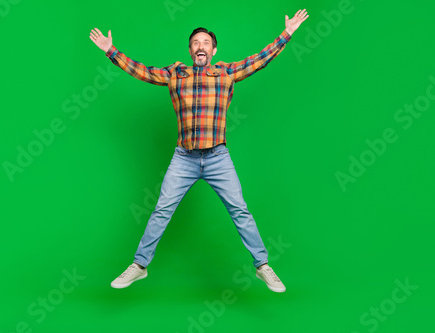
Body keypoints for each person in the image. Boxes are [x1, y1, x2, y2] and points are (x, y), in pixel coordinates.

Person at [89, 9, 309, 293]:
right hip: (184, 158)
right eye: (195, 42)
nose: (200, 46)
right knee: (161, 211)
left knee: (240, 210)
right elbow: (142, 72)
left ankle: (263, 266)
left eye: (205, 42)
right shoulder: (176, 74)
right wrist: (111, 51)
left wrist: (287, 33)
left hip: (218, 158)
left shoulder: (227, 72)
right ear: (191, 50)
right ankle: (140, 266)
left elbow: (259, 60)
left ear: (213, 50)